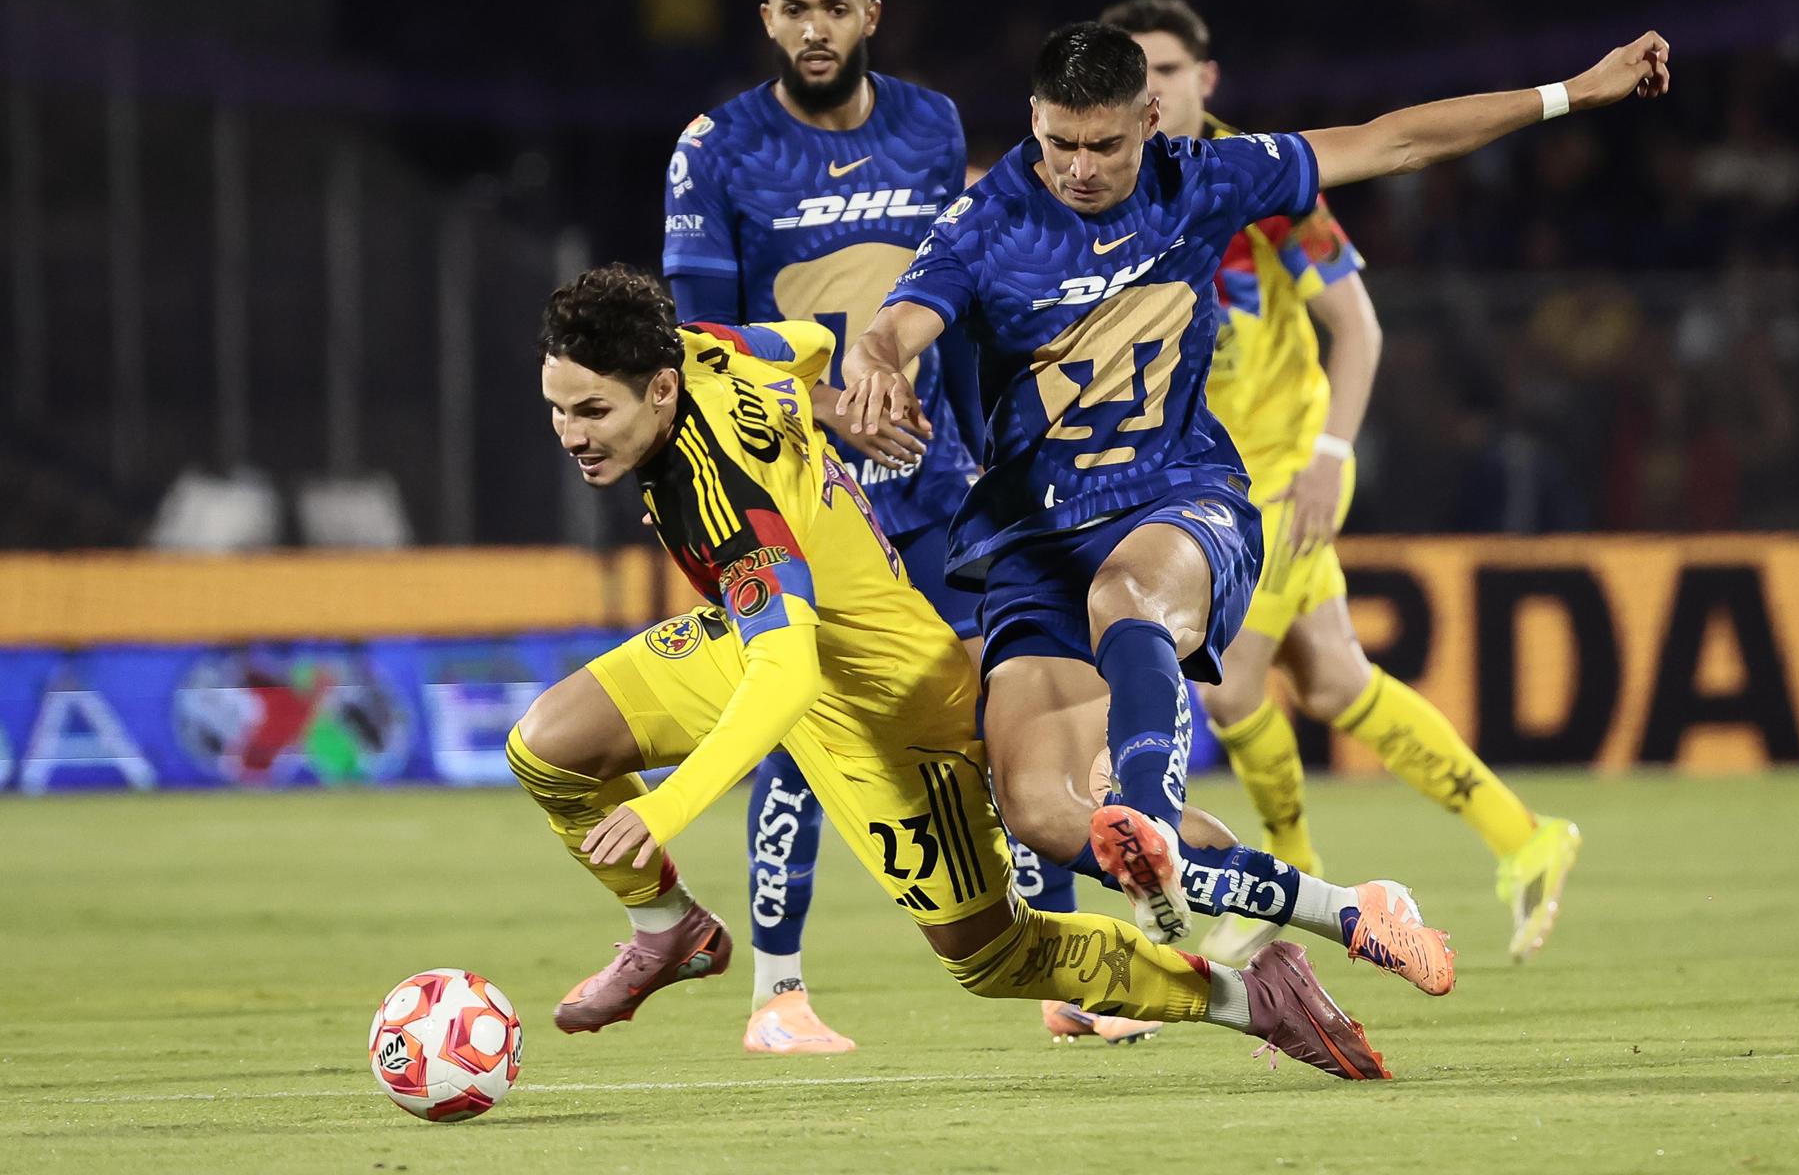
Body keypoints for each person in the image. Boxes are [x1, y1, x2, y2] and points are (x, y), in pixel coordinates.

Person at [839, 22, 1667, 954]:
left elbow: (1391, 140)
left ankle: (1148, 824)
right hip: (1036, 540)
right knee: (1038, 807)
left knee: (1132, 596)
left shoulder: (1210, 177)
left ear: (1149, 118)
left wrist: (1570, 93)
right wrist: (875, 365)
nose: (1079, 167)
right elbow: (895, 325)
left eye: (1105, 144)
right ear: (1034, 118)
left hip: (1181, 501)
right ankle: (1333, 910)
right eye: (1059, 142)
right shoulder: (984, 222)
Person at [505, 263, 1393, 1081]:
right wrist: (835, 404)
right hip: (763, 640)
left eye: (592, 413)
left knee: (995, 955)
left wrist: (666, 805)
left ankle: (1254, 996)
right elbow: (805, 342)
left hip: (889, 708)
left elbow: (786, 677)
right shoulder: (709, 347)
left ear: (660, 390)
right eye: (556, 408)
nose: (567, 435)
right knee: (546, 748)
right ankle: (671, 930)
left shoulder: (720, 492)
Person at [1098, 0, 1582, 965]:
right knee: (1332, 677)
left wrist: (1331, 456)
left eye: (1166, 71)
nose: (1151, 91)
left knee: (1231, 687)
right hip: (1201, 480)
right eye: (1133, 75)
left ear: (1206, 79)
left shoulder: (1263, 183)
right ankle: (1523, 834)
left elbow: (1357, 326)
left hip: (1279, 476)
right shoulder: (1115, 190)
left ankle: (1288, 879)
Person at [661, 0, 1023, 1051]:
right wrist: (827, 402)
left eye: (834, 8)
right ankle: (778, 991)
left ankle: (1055, 963)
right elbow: (695, 335)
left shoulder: (934, 125)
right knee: (800, 720)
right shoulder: (715, 149)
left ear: (872, 12)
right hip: (796, 475)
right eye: (793, 10)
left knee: (1002, 701)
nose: (814, 28)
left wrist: (989, 445)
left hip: (930, 470)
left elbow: (950, 296)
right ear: (765, 19)